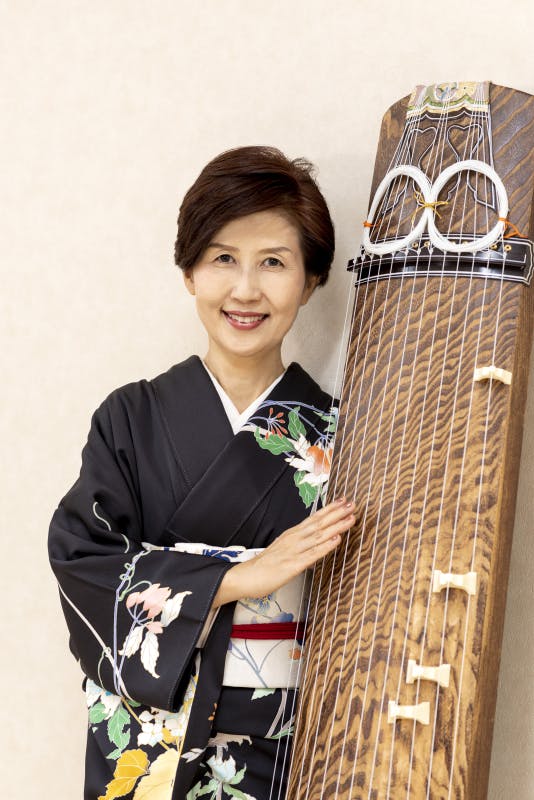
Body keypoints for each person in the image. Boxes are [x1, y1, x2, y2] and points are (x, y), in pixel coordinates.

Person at [48, 145, 356, 800]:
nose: (245, 290)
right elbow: (82, 561)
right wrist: (239, 579)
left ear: (310, 281)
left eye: (273, 262)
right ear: (189, 272)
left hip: (291, 745)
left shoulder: (345, 434)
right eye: (222, 258)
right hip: (148, 742)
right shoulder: (130, 418)